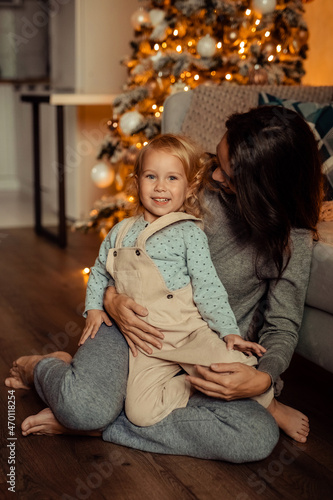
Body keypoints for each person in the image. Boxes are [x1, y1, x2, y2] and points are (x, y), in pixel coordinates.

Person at [5, 106, 322, 460]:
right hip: (134, 328)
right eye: (216, 160)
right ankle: (45, 371)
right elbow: (127, 250)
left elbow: (282, 326)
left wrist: (264, 379)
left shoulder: (292, 241)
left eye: (228, 174)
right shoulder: (190, 181)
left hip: (200, 345)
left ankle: (96, 424)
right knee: (83, 406)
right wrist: (110, 300)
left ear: (261, 188)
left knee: (256, 436)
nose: (214, 175)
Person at [78, 133, 272, 428]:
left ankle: (250, 398)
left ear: (189, 186)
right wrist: (94, 307)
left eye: (172, 178)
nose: (160, 187)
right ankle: (194, 384)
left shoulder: (189, 232)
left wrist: (229, 331)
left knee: (238, 367)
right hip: (145, 344)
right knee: (140, 414)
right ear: (137, 181)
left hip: (187, 332)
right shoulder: (119, 231)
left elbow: (208, 287)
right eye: (151, 176)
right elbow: (99, 271)